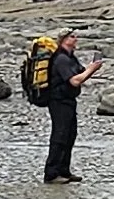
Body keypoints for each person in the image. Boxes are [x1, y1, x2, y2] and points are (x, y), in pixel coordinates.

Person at [43, 28, 101, 184]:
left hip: (69, 100)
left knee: (70, 135)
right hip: (58, 100)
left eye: (76, 36)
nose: (76, 39)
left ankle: (64, 171)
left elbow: (80, 75)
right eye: (72, 37)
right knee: (59, 135)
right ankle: (51, 173)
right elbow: (74, 81)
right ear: (63, 40)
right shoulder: (61, 58)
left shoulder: (70, 57)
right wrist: (91, 69)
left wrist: (92, 68)